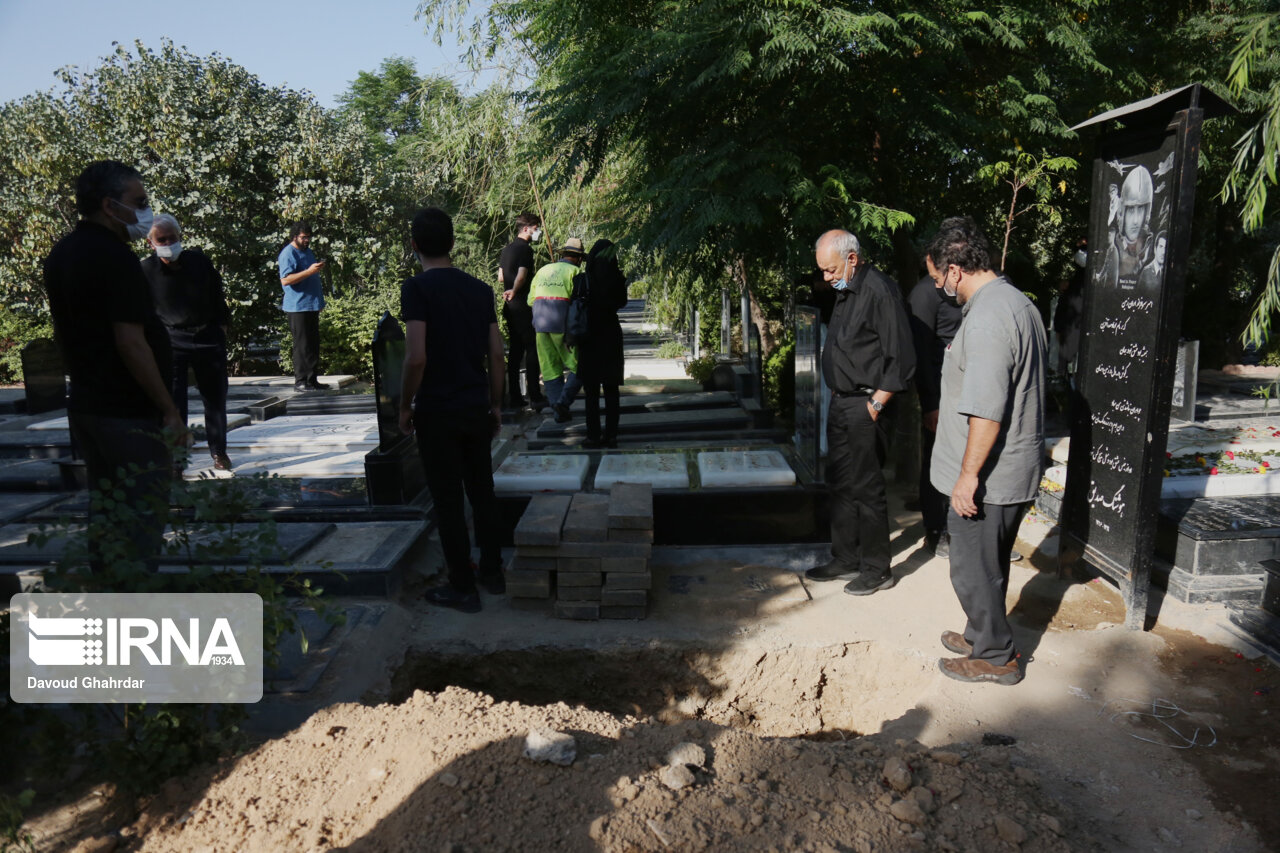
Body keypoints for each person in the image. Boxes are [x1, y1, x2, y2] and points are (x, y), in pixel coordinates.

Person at [42, 160, 186, 572]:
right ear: (109, 205)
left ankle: (107, 599)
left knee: (107, 515)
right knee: (140, 520)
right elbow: (131, 341)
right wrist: (168, 410)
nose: (145, 211)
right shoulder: (114, 257)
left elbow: (65, 334)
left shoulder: (63, 252)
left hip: (89, 404)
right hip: (127, 412)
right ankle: (133, 602)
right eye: (138, 203)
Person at [926, 216, 1046, 686]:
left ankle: (996, 657)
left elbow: (987, 410)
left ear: (955, 271)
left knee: (973, 568)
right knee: (986, 564)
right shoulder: (1013, 302)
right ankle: (981, 633)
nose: (939, 287)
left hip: (990, 477)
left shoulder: (989, 318)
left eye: (938, 278)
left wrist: (967, 476)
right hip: (1007, 468)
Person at [398, 207, 505, 613]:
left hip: (437, 410)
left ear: (414, 245)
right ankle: (492, 573)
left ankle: (462, 586)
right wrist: (496, 404)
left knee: (447, 500)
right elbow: (497, 355)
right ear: (453, 243)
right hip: (475, 405)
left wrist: (404, 406)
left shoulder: (417, 289)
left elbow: (416, 357)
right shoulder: (480, 290)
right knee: (482, 492)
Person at [804, 229, 915, 595]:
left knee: (866, 487)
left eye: (831, 269)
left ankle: (877, 568)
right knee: (840, 482)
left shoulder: (880, 291)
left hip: (868, 404)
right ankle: (846, 557)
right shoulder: (846, 290)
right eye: (822, 270)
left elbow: (900, 356)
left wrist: (876, 403)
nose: (826, 277)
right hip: (842, 401)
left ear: (852, 258)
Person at [142, 213, 233, 472]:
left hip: (207, 337)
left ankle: (219, 452)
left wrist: (221, 329)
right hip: (171, 340)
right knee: (173, 403)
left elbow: (217, 296)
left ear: (180, 237)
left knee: (215, 399)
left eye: (173, 238)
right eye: (162, 239)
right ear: (151, 243)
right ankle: (177, 459)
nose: (168, 244)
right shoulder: (145, 270)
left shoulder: (199, 261)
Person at [908, 269, 963, 558]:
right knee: (938, 463)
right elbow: (919, 351)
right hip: (941, 396)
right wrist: (930, 403)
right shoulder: (925, 293)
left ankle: (970, 531)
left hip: (971, 393)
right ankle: (936, 530)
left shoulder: (969, 290)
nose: (936, 280)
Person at [577, 239, 630, 448]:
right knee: (611, 388)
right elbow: (622, 302)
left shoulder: (585, 279)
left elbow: (576, 304)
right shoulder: (617, 278)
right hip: (610, 333)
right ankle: (611, 434)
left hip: (589, 333)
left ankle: (593, 435)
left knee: (591, 391)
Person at [530, 237, 586, 423]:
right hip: (562, 326)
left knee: (550, 369)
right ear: (579, 258)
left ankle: (558, 412)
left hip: (540, 324)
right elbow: (579, 305)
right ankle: (562, 403)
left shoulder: (543, 270)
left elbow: (530, 300)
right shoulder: (576, 272)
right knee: (580, 367)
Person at [499, 213, 547, 411]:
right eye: (536, 228)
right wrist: (515, 289)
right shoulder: (525, 250)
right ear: (526, 228)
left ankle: (515, 396)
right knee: (532, 348)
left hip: (509, 306)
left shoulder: (506, 249)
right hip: (522, 304)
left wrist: (508, 290)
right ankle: (535, 395)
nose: (538, 231)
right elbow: (521, 275)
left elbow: (501, 277)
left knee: (516, 350)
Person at [278, 220, 328, 391]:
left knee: (313, 344)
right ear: (294, 236)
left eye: (308, 237)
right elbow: (286, 280)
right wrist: (309, 271)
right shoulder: (288, 253)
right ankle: (300, 381)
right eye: (303, 237)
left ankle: (312, 380)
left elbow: (312, 277)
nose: (307, 240)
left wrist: (319, 302)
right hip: (297, 307)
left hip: (311, 305)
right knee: (301, 345)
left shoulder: (308, 252)